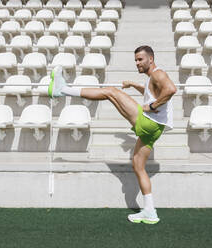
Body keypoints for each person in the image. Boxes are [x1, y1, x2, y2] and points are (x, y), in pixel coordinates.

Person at [48, 45, 177, 224]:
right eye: (136, 60)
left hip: (150, 123)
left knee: (111, 92)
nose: (137, 63)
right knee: (138, 166)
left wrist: (153, 107)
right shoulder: (151, 78)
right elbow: (151, 93)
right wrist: (134, 85)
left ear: (151, 59)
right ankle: (150, 211)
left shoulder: (158, 74)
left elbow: (171, 90)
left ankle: (62, 90)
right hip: (155, 130)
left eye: (140, 59)